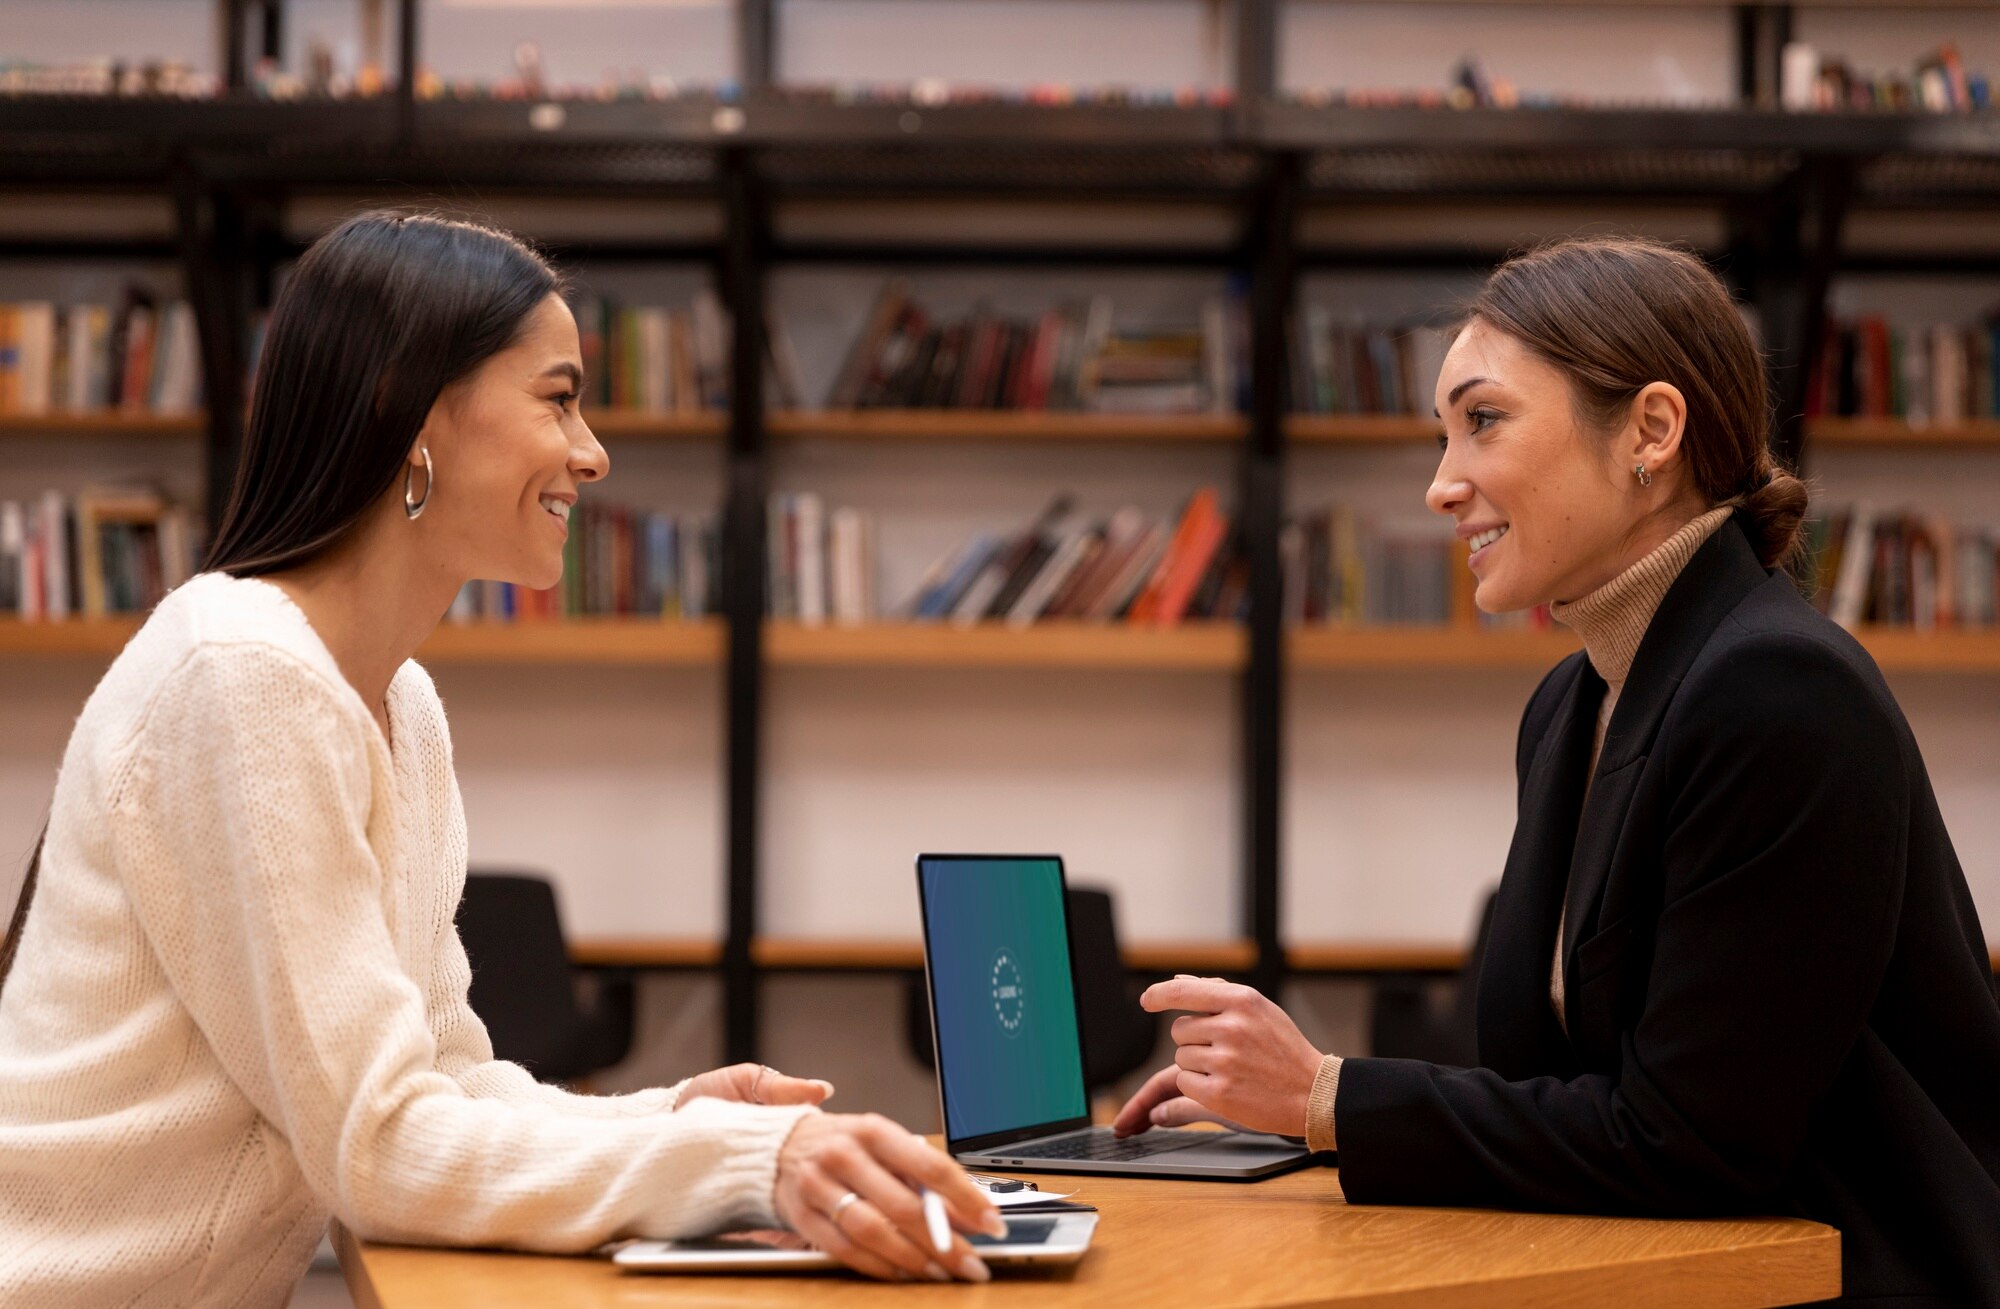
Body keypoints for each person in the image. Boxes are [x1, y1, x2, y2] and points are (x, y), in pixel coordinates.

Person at [0, 211, 1002, 1307]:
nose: (592, 451)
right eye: (558, 398)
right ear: (409, 405)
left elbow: (445, 1080)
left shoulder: (399, 702)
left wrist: (672, 1120)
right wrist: (735, 1163)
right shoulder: (243, 672)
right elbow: (381, 1147)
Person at [1114, 236, 2000, 1306]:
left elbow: (1690, 1145)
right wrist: (1290, 1107)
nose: (1441, 485)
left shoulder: (1779, 688)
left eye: (1483, 420)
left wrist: (1329, 1098)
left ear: (1651, 431)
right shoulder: (1570, 703)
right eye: (1442, 433)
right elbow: (1555, 1094)